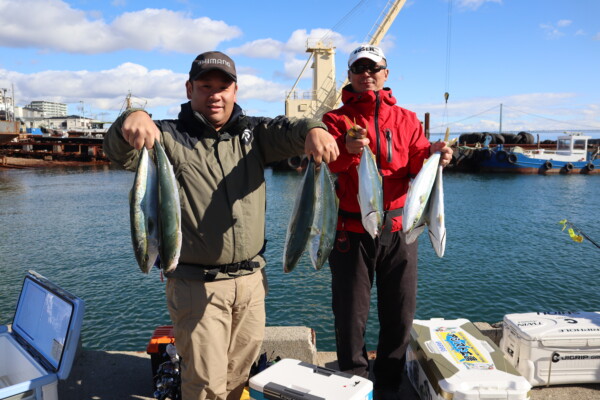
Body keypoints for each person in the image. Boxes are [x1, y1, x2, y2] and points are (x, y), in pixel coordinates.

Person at [103, 51, 339, 400]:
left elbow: (291, 131)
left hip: (251, 284)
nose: (215, 94)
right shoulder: (167, 137)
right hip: (197, 287)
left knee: (237, 379)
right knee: (204, 386)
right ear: (189, 89)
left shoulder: (254, 134)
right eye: (205, 86)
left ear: (235, 91)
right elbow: (118, 153)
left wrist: (315, 129)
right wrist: (131, 117)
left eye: (223, 87)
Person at [322, 45, 452, 400]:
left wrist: (435, 157)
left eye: (373, 67)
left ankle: (391, 381)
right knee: (350, 316)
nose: (366, 73)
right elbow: (326, 165)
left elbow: (416, 168)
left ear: (386, 73)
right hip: (350, 231)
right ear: (349, 75)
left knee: (400, 311)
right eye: (358, 68)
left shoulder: (408, 120)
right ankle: (355, 381)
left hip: (400, 229)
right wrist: (347, 150)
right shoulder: (335, 120)